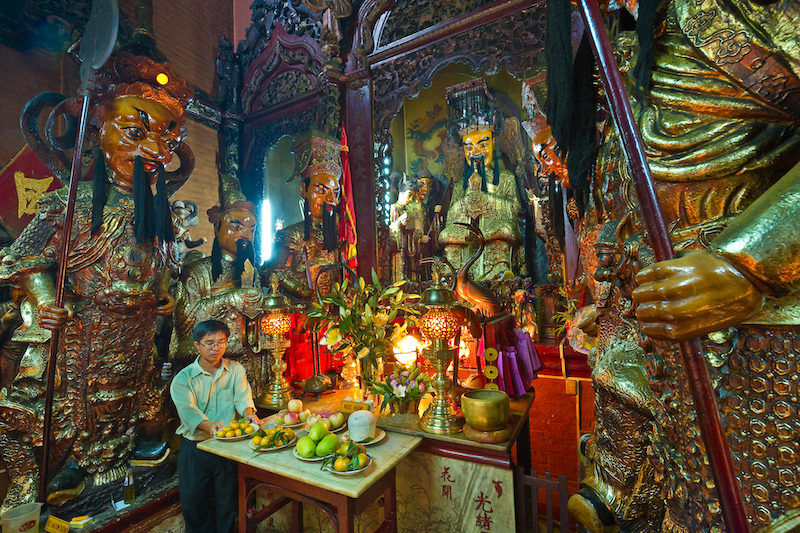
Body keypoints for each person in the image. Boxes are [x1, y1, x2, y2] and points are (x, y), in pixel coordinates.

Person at [0, 50, 193, 511]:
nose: (154, 152)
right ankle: (75, 469)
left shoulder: (157, 210)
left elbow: (162, 263)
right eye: (135, 134)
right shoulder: (80, 201)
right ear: (98, 131)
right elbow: (21, 257)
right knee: (75, 407)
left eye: (165, 141)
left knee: (141, 399)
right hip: (84, 330)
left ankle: (133, 459)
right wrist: (46, 297)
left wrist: (164, 294)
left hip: (139, 331)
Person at [170, 187, 268, 396]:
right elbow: (186, 320)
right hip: (213, 362)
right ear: (216, 228)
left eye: (251, 229)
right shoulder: (196, 271)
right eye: (236, 226)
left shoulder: (252, 272)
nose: (245, 234)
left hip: (249, 360)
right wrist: (232, 298)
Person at [170, 319, 261, 533]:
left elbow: (243, 397)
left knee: (227, 504)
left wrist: (249, 414)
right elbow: (189, 412)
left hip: (226, 447)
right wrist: (209, 426)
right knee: (195, 506)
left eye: (221, 342)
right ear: (197, 345)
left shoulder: (235, 369)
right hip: (195, 450)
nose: (216, 348)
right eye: (209, 343)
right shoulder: (183, 379)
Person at [264, 129, 342, 300]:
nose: (331, 200)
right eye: (321, 190)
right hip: (305, 311)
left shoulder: (340, 234)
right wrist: (301, 290)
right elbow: (272, 273)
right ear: (303, 190)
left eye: (335, 193)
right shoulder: (292, 235)